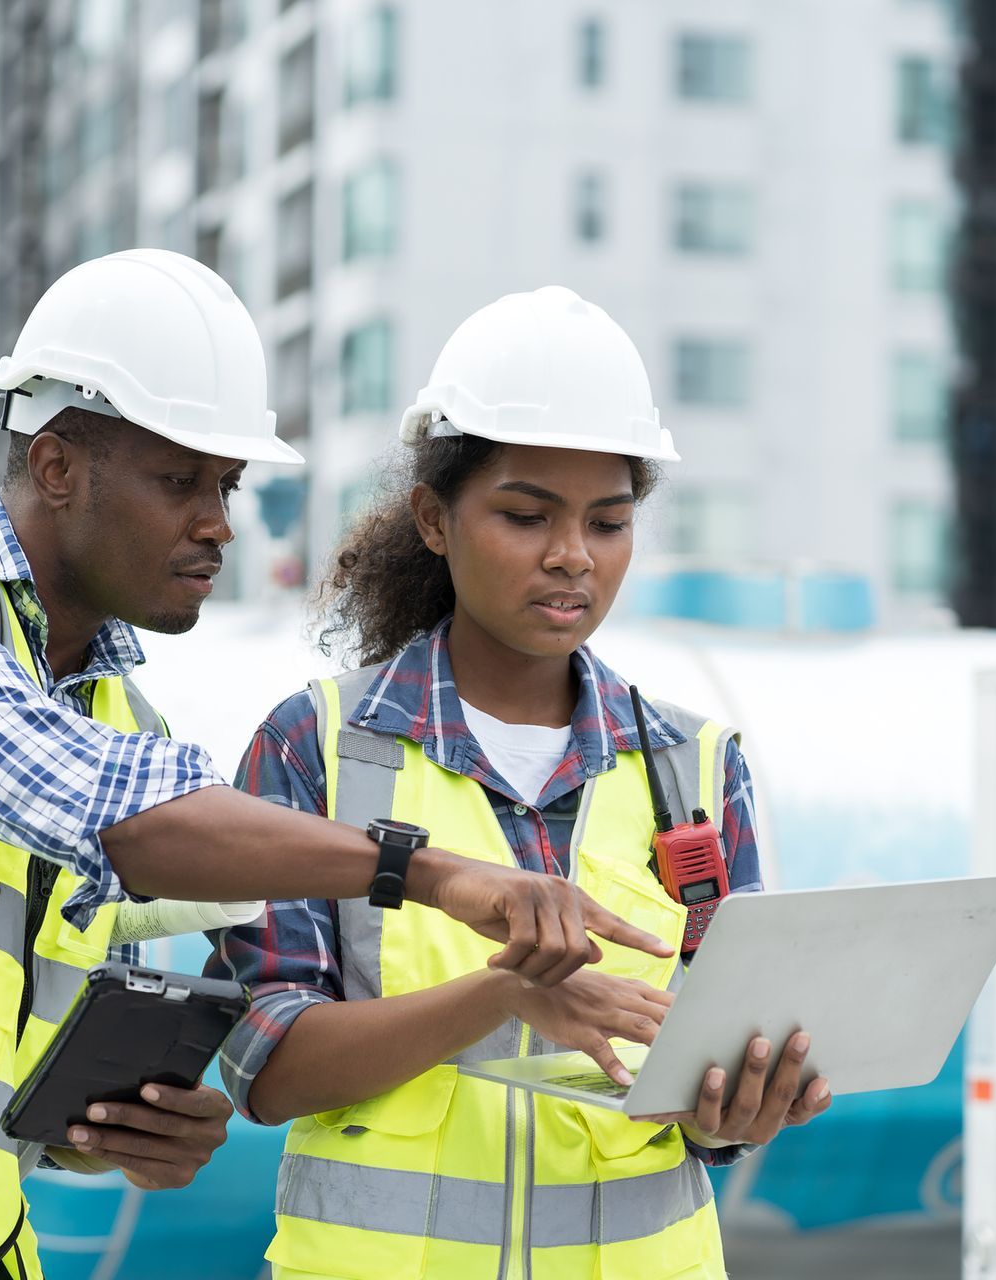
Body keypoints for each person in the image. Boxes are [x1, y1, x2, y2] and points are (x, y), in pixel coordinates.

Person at [0, 254, 668, 1280]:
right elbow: (88, 801)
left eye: (229, 484)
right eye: (178, 480)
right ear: (55, 464)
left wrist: (115, 1132)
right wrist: (434, 873)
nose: (216, 524)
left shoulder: (123, 718)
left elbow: (6, 1036)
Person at [208, 286, 833, 1280]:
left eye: (609, 520)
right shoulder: (316, 748)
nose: (572, 555)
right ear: (435, 518)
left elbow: (712, 1090)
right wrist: (503, 997)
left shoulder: (700, 768)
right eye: (525, 513)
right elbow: (268, 1067)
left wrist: (742, 1104)